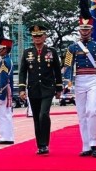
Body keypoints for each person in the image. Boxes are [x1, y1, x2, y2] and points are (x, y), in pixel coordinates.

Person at [63, 14, 96, 158]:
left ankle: (94, 144)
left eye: (87, 29)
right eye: (82, 29)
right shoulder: (72, 48)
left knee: (92, 111)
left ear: (91, 30)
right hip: (79, 81)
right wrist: (68, 83)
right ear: (79, 30)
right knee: (82, 114)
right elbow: (68, 66)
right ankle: (86, 145)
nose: (84, 32)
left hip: (93, 80)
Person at [18, 25, 63, 155]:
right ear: (32, 38)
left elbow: (57, 71)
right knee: (36, 118)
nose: (37, 38)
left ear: (44, 37)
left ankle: (45, 143)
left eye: (39, 36)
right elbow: (22, 72)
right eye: (34, 36)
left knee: (44, 114)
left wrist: (59, 87)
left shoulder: (51, 51)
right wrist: (22, 89)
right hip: (33, 89)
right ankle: (41, 145)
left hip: (48, 88)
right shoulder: (27, 52)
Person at [0, 38, 15, 145]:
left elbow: (3, 78)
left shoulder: (3, 62)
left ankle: (5, 137)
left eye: (1, 48)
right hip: (7, 89)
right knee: (6, 114)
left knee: (3, 114)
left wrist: (1, 94)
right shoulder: (8, 60)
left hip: (4, 89)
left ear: (5, 50)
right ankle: (8, 136)